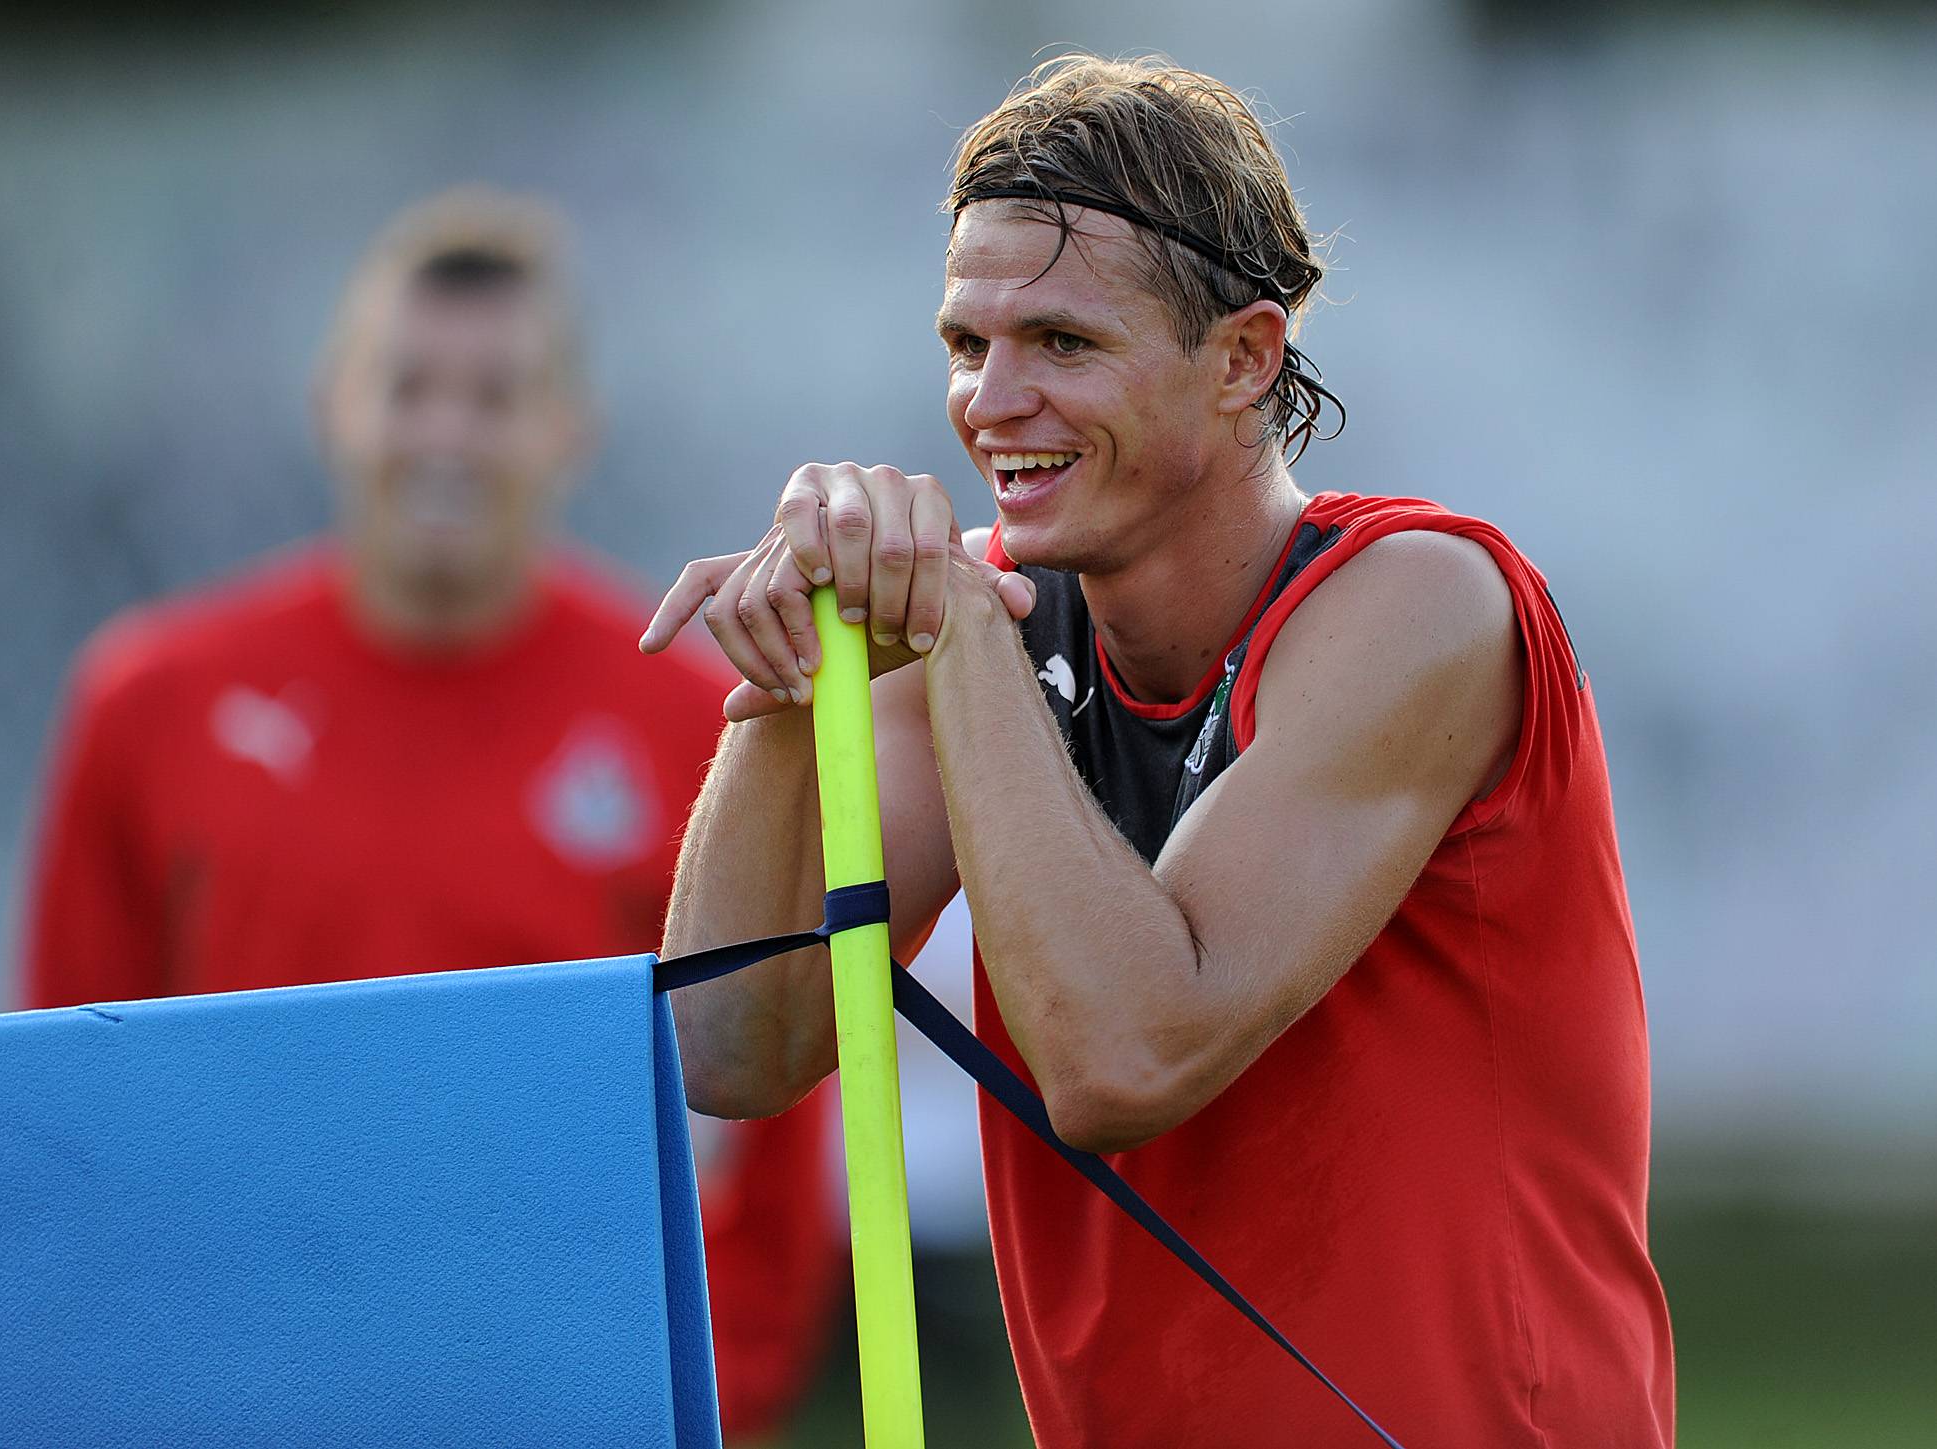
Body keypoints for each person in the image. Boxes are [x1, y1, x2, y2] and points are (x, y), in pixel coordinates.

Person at [643, 56, 1676, 1447]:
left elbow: (1125, 1062)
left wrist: (960, 633)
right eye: (967, 344)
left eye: (1063, 343)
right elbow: (729, 1047)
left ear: (1245, 358)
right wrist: (794, 680)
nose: (991, 400)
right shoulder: (981, 622)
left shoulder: (1422, 600)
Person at [20, 187, 839, 1442]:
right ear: (332, 406)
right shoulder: (149, 701)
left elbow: (774, 1094)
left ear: (569, 428)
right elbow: (68, 1090)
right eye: (407, 387)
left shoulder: (699, 716)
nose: (447, 433)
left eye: (496, 395)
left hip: (569, 1393)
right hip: (237, 1390)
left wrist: (708, 1387)